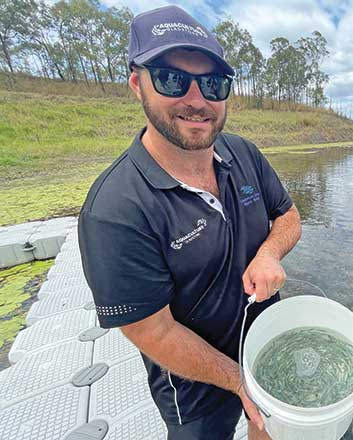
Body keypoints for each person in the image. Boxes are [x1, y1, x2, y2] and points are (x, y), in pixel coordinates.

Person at [77, 5, 301, 440]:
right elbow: (152, 331)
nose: (197, 100)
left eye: (213, 84)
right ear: (137, 84)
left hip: (266, 347)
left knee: (270, 430)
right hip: (192, 387)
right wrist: (239, 380)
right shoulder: (115, 210)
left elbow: (288, 216)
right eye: (173, 79)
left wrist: (269, 252)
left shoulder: (244, 154)